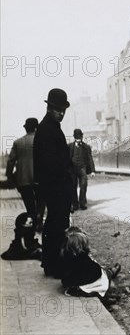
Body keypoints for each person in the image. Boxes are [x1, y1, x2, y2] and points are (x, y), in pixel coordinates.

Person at [33, 88, 73, 278]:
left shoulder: (50, 126)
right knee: (56, 224)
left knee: (54, 224)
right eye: (58, 109)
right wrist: (65, 175)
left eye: (63, 110)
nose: (62, 113)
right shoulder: (48, 129)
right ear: (49, 108)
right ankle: (54, 264)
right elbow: (51, 163)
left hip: (54, 184)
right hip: (55, 185)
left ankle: (50, 263)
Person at [6, 117, 45, 232]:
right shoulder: (43, 141)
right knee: (41, 199)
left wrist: (9, 176)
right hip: (40, 178)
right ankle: (39, 217)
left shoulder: (18, 142)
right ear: (37, 128)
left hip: (23, 179)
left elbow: (11, 161)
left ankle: (31, 217)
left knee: (28, 201)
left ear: (26, 128)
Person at [60, 226, 121, 299]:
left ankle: (109, 273)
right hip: (80, 284)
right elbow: (95, 271)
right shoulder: (81, 258)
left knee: (101, 272)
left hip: (70, 281)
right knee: (104, 276)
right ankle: (104, 295)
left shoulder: (67, 254)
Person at [68, 129, 96, 212]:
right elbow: (66, 159)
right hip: (72, 169)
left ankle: (82, 203)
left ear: (82, 137)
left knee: (83, 185)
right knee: (73, 187)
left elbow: (90, 158)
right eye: (77, 138)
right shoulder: (69, 146)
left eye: (80, 137)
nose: (79, 139)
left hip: (82, 168)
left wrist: (92, 170)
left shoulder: (86, 147)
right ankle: (75, 204)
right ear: (74, 137)